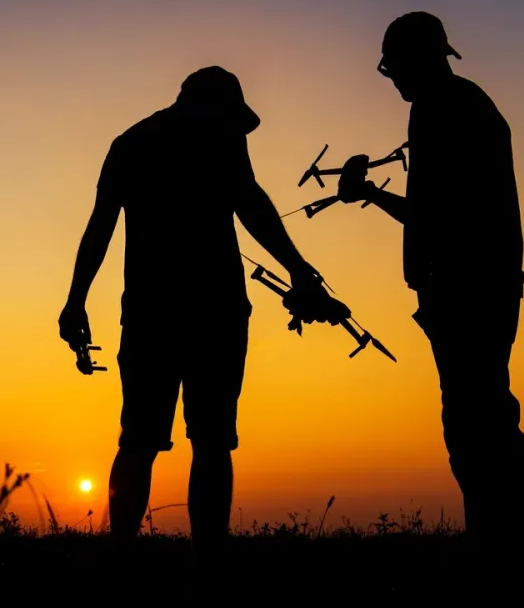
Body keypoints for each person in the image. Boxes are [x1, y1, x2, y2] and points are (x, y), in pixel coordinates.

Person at [57, 66, 350, 557]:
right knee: (182, 440)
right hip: (201, 312)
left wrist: (75, 301)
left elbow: (249, 204)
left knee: (171, 440)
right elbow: (247, 204)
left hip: (170, 313)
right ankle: (167, 559)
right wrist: (74, 300)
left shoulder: (136, 143)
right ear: (211, 109)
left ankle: (166, 558)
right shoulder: (193, 140)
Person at [337, 12, 524, 543]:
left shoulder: (443, 110)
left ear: (413, 60)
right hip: (474, 285)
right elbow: (436, 208)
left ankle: (511, 544)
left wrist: (368, 194)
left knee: (478, 425)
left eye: (394, 70)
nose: (394, 82)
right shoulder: (462, 106)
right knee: (484, 418)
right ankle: (516, 539)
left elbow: (435, 213)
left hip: (469, 289)